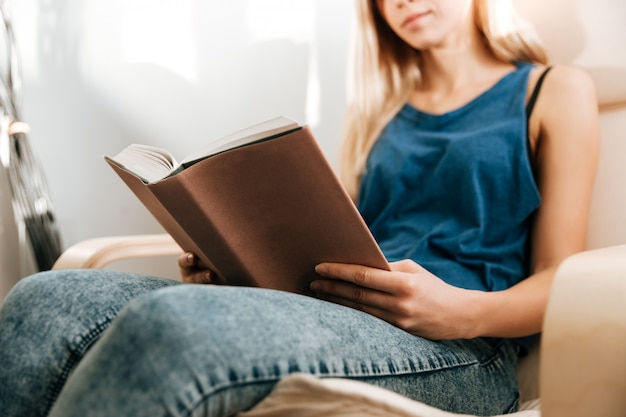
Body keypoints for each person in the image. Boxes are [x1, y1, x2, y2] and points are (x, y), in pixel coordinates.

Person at [0, 0, 600, 416]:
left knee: (175, 326)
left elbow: (560, 278)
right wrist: (234, 263)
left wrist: (461, 313)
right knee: (44, 298)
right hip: (342, 316)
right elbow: (342, 246)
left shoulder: (551, 89)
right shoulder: (379, 117)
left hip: (461, 350)